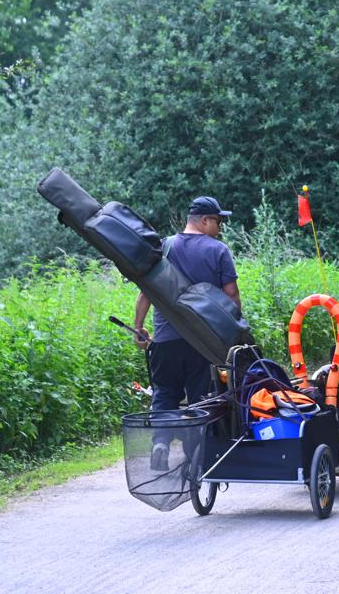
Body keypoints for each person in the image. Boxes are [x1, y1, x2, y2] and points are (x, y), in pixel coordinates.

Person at [133, 196, 241, 470]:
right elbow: (231, 295)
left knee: (164, 392)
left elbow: (146, 291)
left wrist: (139, 327)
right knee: (199, 398)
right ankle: (195, 457)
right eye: (218, 221)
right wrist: (234, 332)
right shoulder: (218, 250)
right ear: (204, 220)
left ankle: (160, 442)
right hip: (202, 341)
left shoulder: (165, 246)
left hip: (165, 340)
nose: (220, 227)